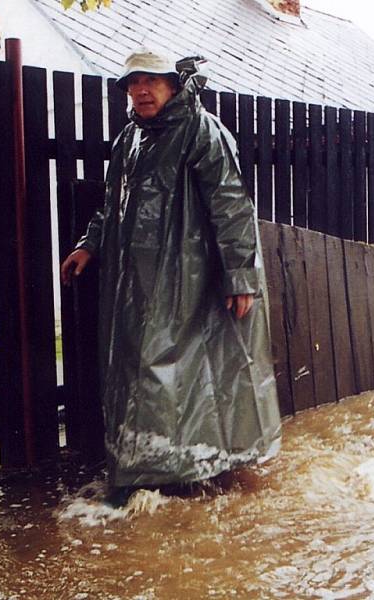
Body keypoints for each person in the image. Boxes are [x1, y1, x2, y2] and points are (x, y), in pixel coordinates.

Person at [60, 49, 280, 496]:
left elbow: (231, 205)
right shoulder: (130, 140)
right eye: (133, 83)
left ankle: (195, 470)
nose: (141, 90)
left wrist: (240, 275)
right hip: (134, 282)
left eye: (151, 81)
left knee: (188, 371)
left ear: (174, 85)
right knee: (144, 369)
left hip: (192, 279)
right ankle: (154, 469)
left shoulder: (202, 132)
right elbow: (112, 204)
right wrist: (90, 243)